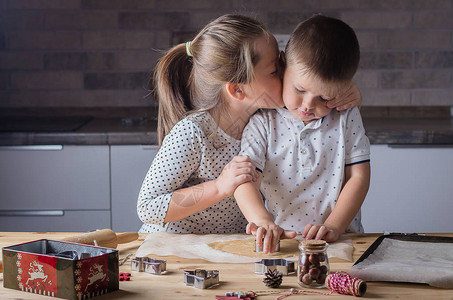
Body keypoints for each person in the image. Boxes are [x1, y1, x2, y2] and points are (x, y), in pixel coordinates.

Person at [137, 14, 362, 233]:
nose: (285, 73)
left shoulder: (268, 119)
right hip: (172, 250)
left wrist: (342, 92)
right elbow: (147, 207)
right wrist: (218, 187)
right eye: (275, 69)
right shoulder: (194, 132)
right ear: (238, 89)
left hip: (225, 250)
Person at [234, 15, 371, 252]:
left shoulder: (346, 116)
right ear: (283, 64)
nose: (307, 105)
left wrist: (334, 226)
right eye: (299, 89)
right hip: (282, 242)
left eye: (324, 98)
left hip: (341, 242)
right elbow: (244, 180)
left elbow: (358, 178)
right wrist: (263, 221)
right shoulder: (264, 120)